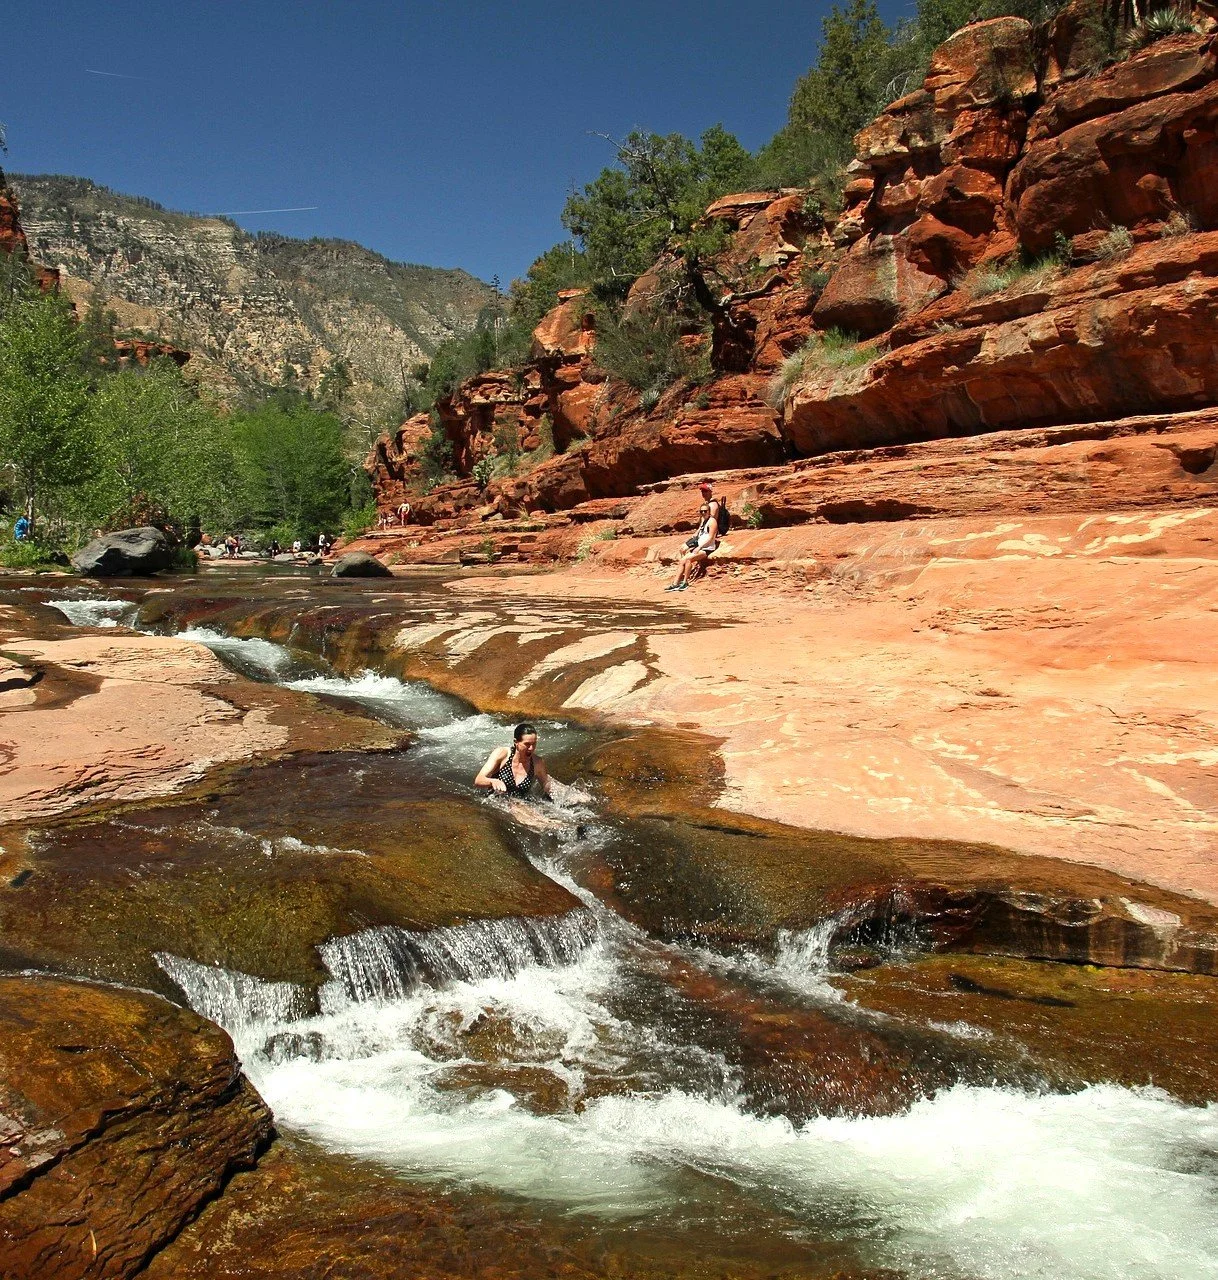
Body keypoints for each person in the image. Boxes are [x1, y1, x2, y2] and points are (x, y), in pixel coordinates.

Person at [666, 479, 723, 592]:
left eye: (705, 491)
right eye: (702, 491)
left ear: (710, 491)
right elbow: (703, 525)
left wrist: (699, 546)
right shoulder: (706, 507)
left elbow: (711, 535)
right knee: (683, 554)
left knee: (687, 559)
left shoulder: (712, 508)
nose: (703, 493)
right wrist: (696, 533)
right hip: (701, 538)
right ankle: (676, 582)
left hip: (705, 544)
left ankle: (685, 580)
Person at [474, 722, 553, 800]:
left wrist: (560, 793)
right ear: (516, 742)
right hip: (496, 801)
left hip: (521, 803)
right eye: (527, 744)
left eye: (534, 744)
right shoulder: (502, 754)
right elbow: (478, 780)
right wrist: (493, 782)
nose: (531, 748)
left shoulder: (537, 762)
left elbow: (546, 785)